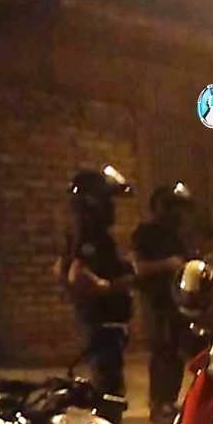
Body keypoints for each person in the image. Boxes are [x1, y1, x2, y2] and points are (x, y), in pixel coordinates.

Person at [59, 166, 134, 401]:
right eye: (108, 200)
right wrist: (110, 286)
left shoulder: (82, 233)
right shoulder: (90, 235)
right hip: (102, 322)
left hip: (103, 322)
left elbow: (60, 269)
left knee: (109, 382)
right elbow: (75, 274)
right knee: (109, 391)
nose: (112, 207)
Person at [131, 182, 194, 424]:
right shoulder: (146, 233)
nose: (175, 212)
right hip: (156, 301)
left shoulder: (177, 234)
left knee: (176, 353)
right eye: (169, 206)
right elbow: (137, 267)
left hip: (178, 301)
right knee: (162, 352)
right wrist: (166, 265)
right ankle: (158, 403)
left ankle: (169, 401)